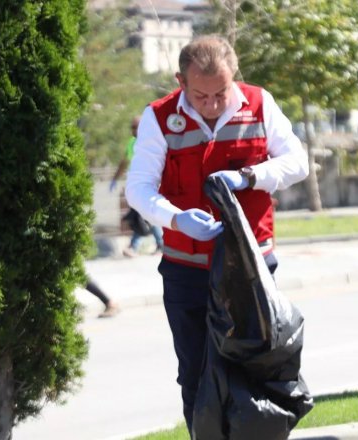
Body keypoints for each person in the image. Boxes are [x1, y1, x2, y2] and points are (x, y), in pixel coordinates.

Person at [124, 35, 309, 432]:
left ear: (234, 78)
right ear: (180, 81)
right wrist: (176, 219)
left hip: (251, 270)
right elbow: (138, 189)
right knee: (195, 375)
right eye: (200, 96)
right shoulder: (159, 118)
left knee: (257, 371)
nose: (210, 105)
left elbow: (297, 163)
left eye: (221, 94)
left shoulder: (260, 104)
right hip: (187, 270)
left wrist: (251, 177)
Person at [111, 116, 164, 257]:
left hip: (150, 186)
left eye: (136, 127)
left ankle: (139, 246)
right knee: (142, 216)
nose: (133, 131)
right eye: (132, 127)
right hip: (136, 186)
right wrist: (115, 179)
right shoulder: (132, 143)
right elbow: (124, 162)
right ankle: (153, 245)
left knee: (144, 215)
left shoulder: (151, 142)